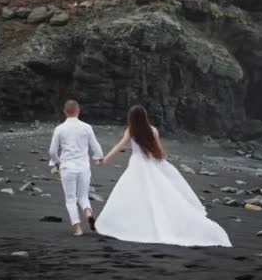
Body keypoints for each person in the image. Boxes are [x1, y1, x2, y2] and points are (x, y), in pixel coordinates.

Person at [95, 105, 232, 247]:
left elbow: (119, 146)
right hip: (149, 163)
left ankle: (133, 223)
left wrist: (105, 159)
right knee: (157, 194)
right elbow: (159, 150)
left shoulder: (131, 131)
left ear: (132, 118)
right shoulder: (152, 130)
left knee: (131, 194)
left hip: (136, 164)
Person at [49, 100, 104, 236]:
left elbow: (52, 151)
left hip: (67, 167)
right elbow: (95, 146)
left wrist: (56, 163)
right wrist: (98, 157)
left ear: (65, 112)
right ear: (78, 111)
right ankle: (88, 213)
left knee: (71, 199)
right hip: (83, 167)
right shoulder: (86, 127)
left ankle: (78, 228)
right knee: (83, 196)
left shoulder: (59, 129)